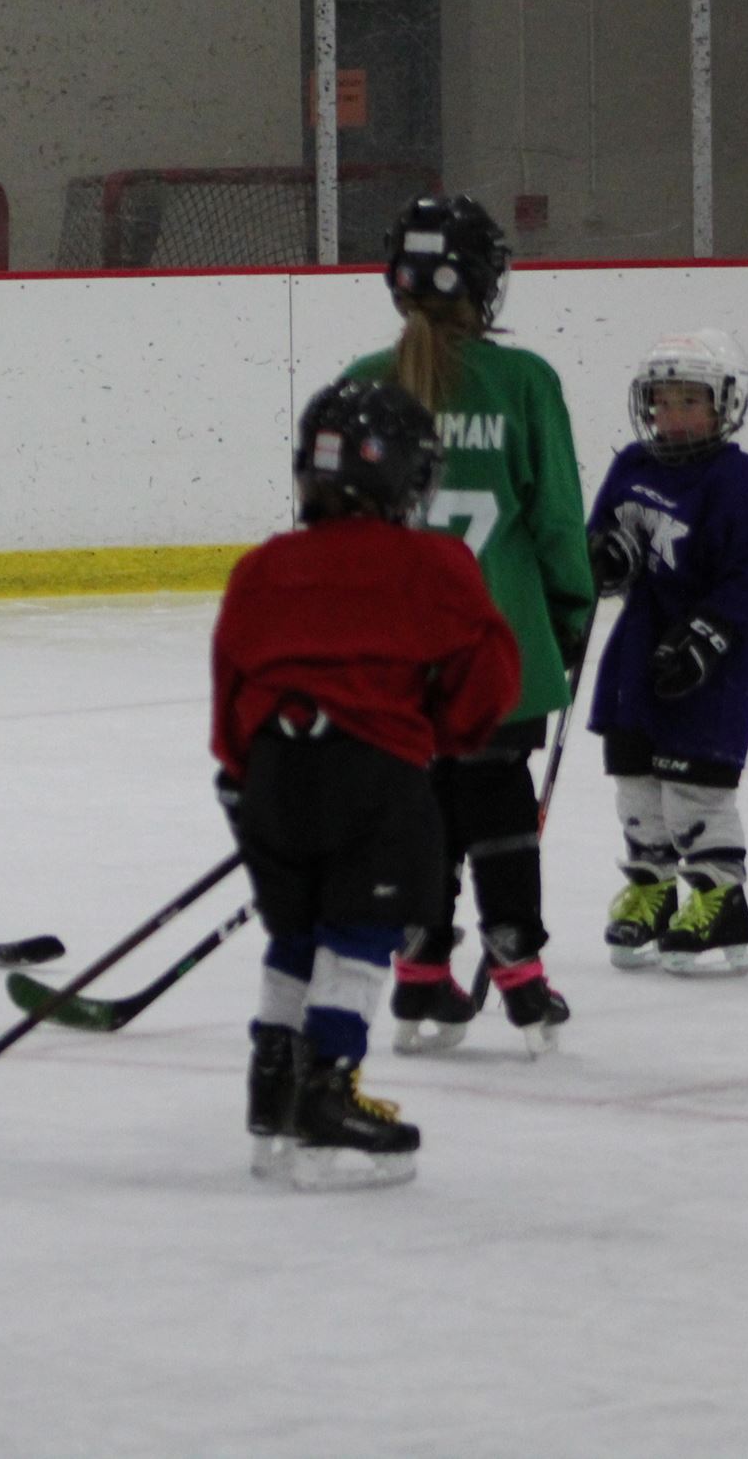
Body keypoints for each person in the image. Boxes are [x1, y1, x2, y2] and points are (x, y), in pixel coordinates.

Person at [211, 379, 522, 1191]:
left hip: (270, 780)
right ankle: (328, 1092)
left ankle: (272, 1087)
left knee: (296, 927)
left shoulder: (262, 566)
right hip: (374, 774)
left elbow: (231, 693)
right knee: (357, 928)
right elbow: (486, 683)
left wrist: (249, 786)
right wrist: (439, 734)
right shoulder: (433, 562)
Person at [338, 195, 595, 1054]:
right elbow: (558, 519)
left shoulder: (362, 382)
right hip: (501, 651)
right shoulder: (525, 382)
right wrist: (572, 610)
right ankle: (519, 974)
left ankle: (417, 967)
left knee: (422, 802)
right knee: (494, 793)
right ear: (485, 282)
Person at [584, 328, 748, 975]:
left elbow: (747, 579)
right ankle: (651, 887)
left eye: (689, 402)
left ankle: (718, 898)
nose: (673, 417)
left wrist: (705, 636)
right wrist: (604, 558)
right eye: (662, 403)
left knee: (694, 791)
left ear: (724, 405)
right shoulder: (632, 467)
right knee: (637, 782)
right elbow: (606, 545)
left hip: (715, 663)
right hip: (639, 645)